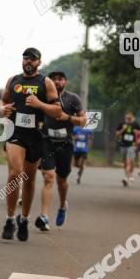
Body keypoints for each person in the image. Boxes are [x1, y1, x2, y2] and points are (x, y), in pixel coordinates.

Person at [0, 48, 62, 241]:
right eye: (26, 57)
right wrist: (3, 108)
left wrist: (40, 105)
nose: (28, 61)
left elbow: (58, 111)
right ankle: (10, 219)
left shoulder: (46, 83)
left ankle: (24, 218)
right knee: (14, 173)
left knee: (29, 179)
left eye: (33, 59)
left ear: (39, 63)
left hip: (35, 135)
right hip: (15, 133)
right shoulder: (13, 80)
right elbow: (3, 100)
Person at [37, 71, 86, 229]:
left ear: (65, 82)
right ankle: (44, 217)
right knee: (48, 176)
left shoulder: (73, 99)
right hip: (47, 142)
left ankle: (63, 206)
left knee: (62, 181)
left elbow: (84, 121)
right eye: (53, 79)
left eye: (60, 79)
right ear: (49, 82)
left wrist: (68, 118)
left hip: (66, 144)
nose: (57, 82)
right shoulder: (43, 97)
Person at [114, 113, 140, 187]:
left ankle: (126, 178)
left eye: (130, 119)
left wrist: (137, 137)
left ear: (132, 118)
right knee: (125, 163)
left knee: (129, 161)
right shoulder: (121, 124)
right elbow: (117, 134)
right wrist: (123, 129)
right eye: (127, 119)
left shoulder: (135, 125)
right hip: (123, 146)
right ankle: (128, 176)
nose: (128, 120)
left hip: (132, 145)